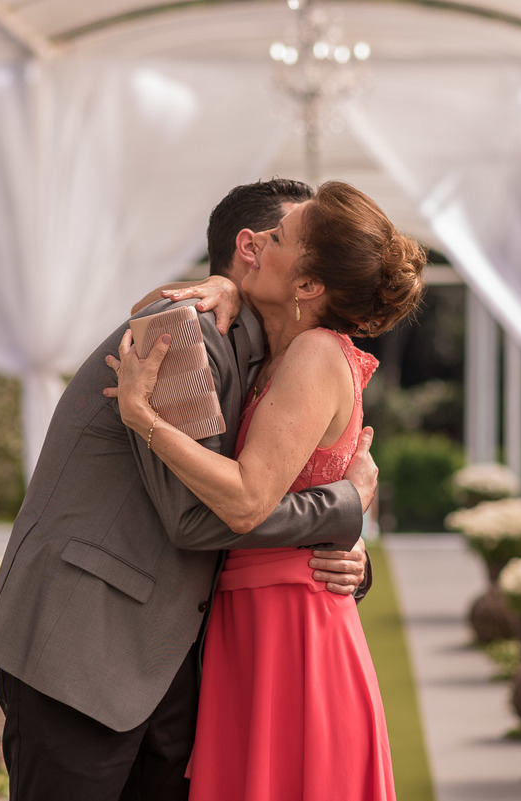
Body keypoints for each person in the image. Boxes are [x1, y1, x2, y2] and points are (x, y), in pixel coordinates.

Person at [0, 178, 375, 801]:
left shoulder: (278, 359)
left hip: (175, 662)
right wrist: (342, 508)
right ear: (249, 249)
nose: (273, 245)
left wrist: (348, 553)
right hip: (86, 645)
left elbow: (282, 475)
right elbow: (196, 517)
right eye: (273, 236)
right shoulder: (182, 334)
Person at [112, 180, 424, 801]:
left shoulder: (314, 354)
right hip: (254, 621)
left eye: (277, 239)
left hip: (291, 631)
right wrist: (223, 284)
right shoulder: (273, 353)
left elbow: (248, 499)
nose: (255, 245)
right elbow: (145, 315)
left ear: (307, 286)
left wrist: (142, 418)